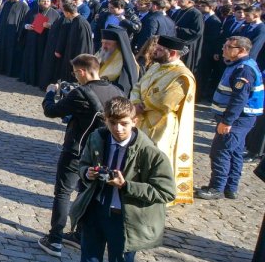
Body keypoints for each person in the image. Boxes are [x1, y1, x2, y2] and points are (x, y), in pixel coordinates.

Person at [65, 97, 176, 262]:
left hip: (125, 220)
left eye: (124, 123)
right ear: (105, 120)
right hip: (96, 213)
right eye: (113, 123)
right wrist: (88, 173)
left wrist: (127, 186)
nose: (118, 129)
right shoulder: (98, 138)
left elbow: (166, 191)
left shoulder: (149, 152)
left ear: (134, 122)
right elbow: (83, 166)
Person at [38, 55, 123, 255]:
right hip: (102, 153)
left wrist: (50, 93)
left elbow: (51, 111)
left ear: (82, 71)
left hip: (77, 150)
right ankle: (81, 234)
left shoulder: (81, 93)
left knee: (63, 192)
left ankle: (55, 239)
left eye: (76, 73)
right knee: (88, 193)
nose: (75, 77)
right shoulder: (117, 91)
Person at [130, 35, 196, 205]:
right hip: (141, 119)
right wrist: (135, 102)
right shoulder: (156, 67)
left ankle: (156, 192)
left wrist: (140, 106)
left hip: (162, 125)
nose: (154, 51)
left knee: (156, 157)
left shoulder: (182, 76)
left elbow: (166, 102)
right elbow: (138, 85)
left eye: (159, 50)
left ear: (172, 52)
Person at [196, 36, 262, 201]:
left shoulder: (243, 70)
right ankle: (230, 188)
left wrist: (227, 122)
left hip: (238, 119)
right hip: (239, 118)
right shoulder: (237, 65)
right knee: (235, 153)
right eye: (224, 46)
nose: (223, 49)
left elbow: (239, 99)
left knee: (220, 152)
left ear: (241, 50)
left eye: (228, 47)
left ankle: (216, 187)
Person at [0, 0, 27, 78]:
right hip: (3, 32)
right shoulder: (6, 4)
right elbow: (1, 17)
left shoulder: (23, 6)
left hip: (13, 34)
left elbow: (24, 20)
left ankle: (9, 71)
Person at [97, 27, 139, 94]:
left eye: (108, 43)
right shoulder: (102, 53)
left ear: (118, 45)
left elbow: (124, 86)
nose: (104, 46)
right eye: (103, 43)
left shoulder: (125, 60)